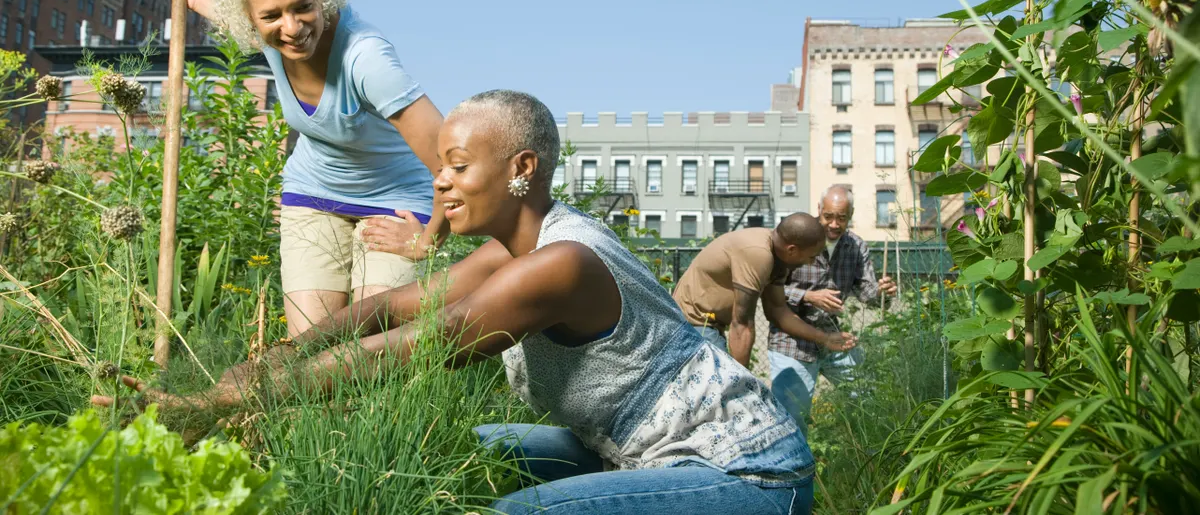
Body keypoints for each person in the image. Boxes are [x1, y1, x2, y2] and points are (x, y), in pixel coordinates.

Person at [96, 90, 817, 514]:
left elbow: (424, 343)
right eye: (439, 164)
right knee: (449, 456)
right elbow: (388, 309)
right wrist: (273, 360)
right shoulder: (510, 252)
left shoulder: (561, 263)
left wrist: (220, 404)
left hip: (747, 473)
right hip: (634, 453)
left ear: (521, 168)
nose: (439, 182)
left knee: (511, 513)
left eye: (458, 165)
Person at [163, 0, 448, 337]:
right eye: (272, 16)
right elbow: (235, 11)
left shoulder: (366, 61)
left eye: (303, 7)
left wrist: (426, 243)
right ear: (250, 20)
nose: (292, 28)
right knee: (311, 351)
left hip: (395, 200)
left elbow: (451, 164)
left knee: (371, 346)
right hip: (314, 195)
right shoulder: (268, 32)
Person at [766, 186, 897, 431]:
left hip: (834, 339)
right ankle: (793, 468)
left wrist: (883, 292)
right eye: (829, 216)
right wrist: (807, 296)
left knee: (867, 402)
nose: (835, 224)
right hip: (791, 342)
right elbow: (769, 289)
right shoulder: (796, 236)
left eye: (842, 218)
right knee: (792, 421)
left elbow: (868, 294)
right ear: (819, 210)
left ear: (851, 215)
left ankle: (859, 459)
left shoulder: (856, 246)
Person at [672, 219, 856, 367]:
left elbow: (778, 312)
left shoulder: (779, 258)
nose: (811, 262)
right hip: (693, 323)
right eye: (811, 256)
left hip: (710, 325)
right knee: (718, 389)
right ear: (792, 250)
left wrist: (825, 339)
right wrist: (742, 386)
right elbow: (742, 324)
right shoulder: (759, 254)